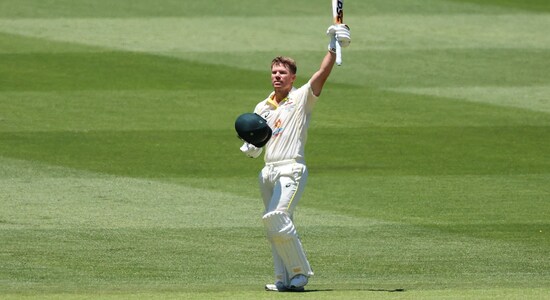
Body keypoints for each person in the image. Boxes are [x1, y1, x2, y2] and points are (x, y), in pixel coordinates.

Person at [239, 24, 351, 292]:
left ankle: (300, 274)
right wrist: (251, 145)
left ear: (292, 77)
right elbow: (258, 139)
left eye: (282, 73)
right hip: (268, 171)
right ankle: (282, 278)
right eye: (274, 72)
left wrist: (334, 45)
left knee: (277, 217)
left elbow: (322, 73)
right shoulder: (262, 107)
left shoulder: (301, 98)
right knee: (273, 227)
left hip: (292, 168)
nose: (277, 76)